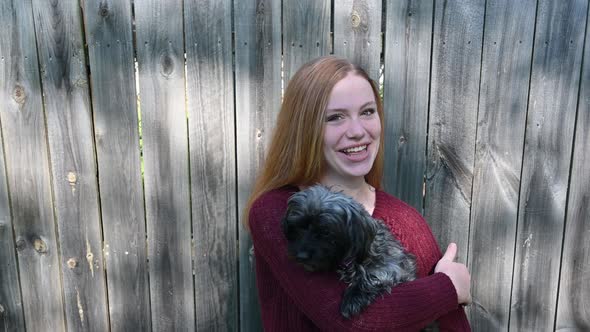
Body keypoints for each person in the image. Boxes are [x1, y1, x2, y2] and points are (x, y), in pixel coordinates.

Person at [245, 56, 471, 331]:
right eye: (335, 117)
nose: (357, 131)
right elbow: (353, 323)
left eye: (367, 112)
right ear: (305, 129)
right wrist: (448, 287)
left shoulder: (408, 222)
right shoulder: (279, 211)